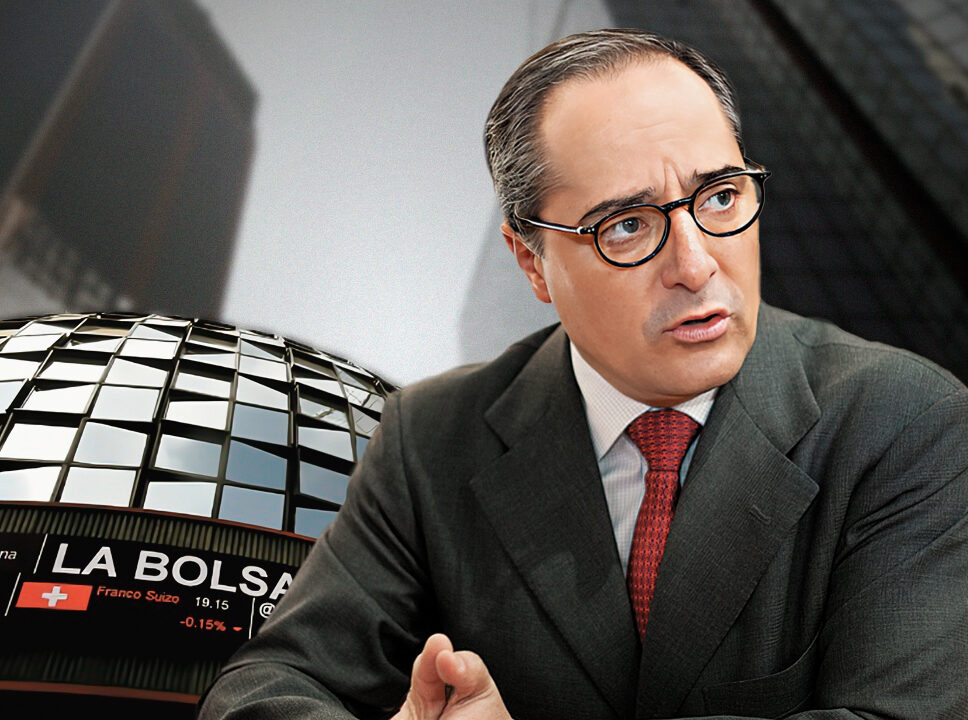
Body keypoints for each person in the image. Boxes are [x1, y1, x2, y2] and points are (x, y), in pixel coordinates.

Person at [198, 29, 968, 719]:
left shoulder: (906, 419)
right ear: (532, 262)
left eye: (721, 196)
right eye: (627, 225)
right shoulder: (430, 439)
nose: (697, 264)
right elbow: (265, 689)